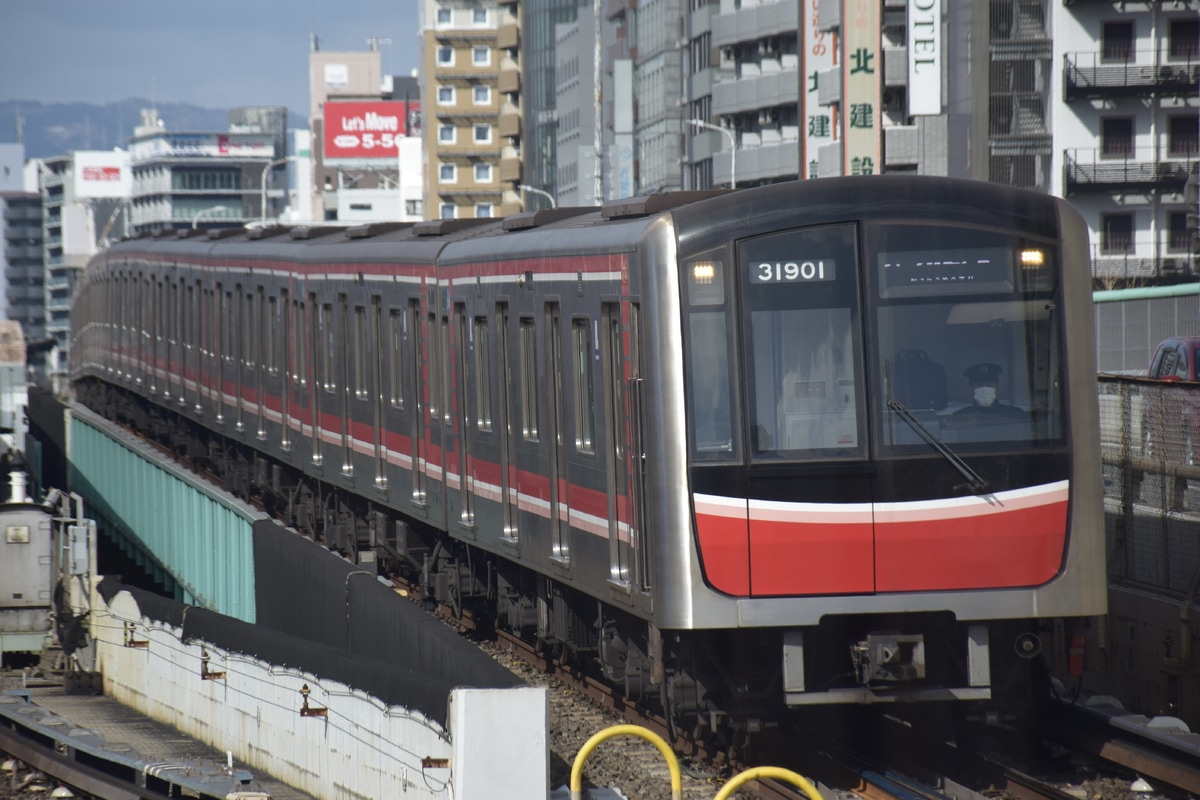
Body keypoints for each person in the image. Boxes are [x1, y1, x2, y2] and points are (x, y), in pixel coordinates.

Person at [953, 362, 1026, 420]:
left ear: (997, 386)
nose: (984, 388)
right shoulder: (960, 416)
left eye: (989, 384)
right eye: (979, 384)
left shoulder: (1014, 413)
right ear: (971, 388)